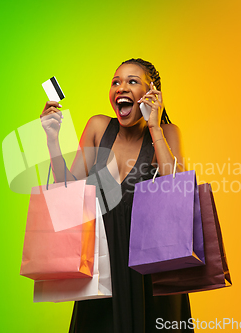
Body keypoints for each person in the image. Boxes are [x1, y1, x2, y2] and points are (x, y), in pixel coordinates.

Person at [40, 58, 193, 333]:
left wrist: (155, 126)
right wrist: (52, 139)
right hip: (103, 269)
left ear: (152, 92)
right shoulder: (98, 128)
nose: (121, 87)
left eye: (132, 81)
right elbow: (68, 192)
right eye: (116, 82)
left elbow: (177, 189)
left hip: (153, 270)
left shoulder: (168, 133)